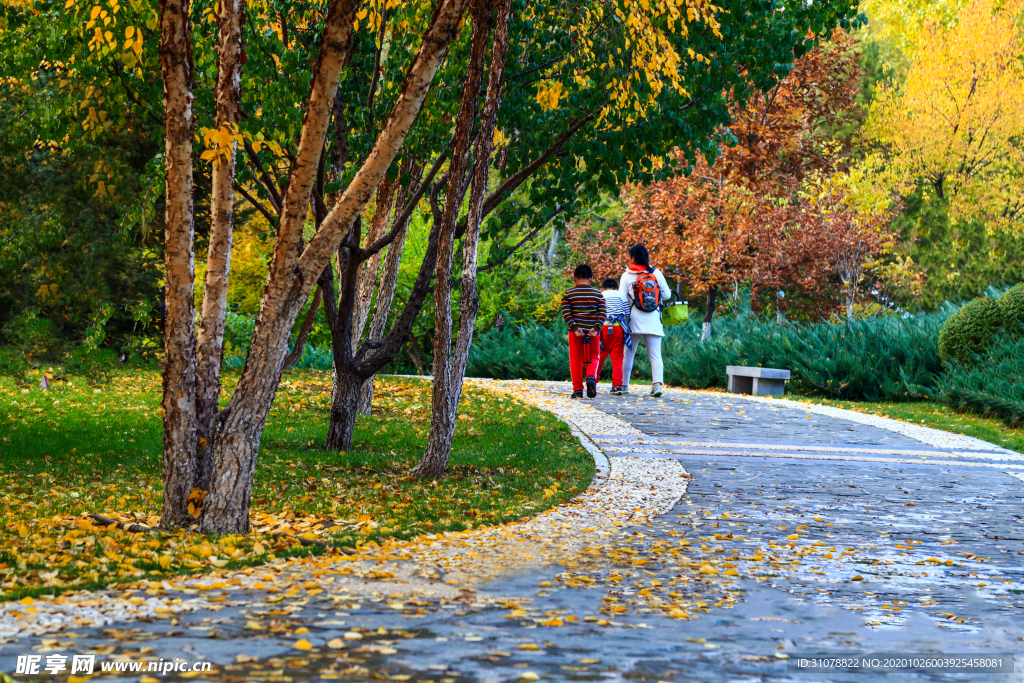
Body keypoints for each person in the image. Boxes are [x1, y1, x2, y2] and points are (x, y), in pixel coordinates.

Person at [619, 244, 671, 397]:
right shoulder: (656, 274)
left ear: (632, 257)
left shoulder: (626, 275)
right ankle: (657, 386)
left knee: (628, 353)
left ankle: (624, 385)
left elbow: (622, 299)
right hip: (653, 319)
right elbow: (667, 295)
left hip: (633, 319)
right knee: (655, 354)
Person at [560, 264, 606, 399]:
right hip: (592, 332)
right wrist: (596, 328)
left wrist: (574, 328)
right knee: (594, 356)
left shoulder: (568, 293)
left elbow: (566, 313)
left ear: (574, 278)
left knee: (576, 360)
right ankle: (591, 376)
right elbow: (602, 313)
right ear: (591, 279)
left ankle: (578, 389)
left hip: (576, 333)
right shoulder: (598, 294)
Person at [598, 277, 631, 395]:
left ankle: (592, 380)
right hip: (618, 329)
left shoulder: (600, 295)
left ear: (602, 288)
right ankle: (617, 386)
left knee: (599, 356)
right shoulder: (621, 294)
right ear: (616, 287)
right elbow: (627, 312)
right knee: (617, 359)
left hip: (603, 328)